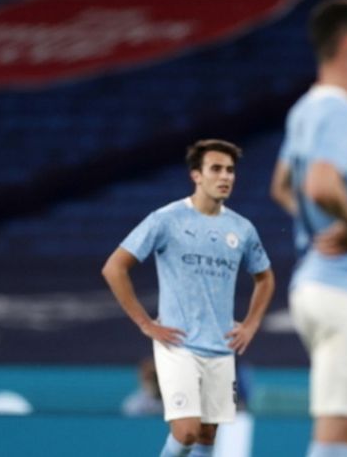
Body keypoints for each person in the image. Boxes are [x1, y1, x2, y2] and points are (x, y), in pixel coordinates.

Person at [269, 0, 347, 457]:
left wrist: (344, 231)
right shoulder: (341, 110)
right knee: (344, 432)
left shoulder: (306, 109)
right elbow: (321, 184)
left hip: (328, 286)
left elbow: (284, 186)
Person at [102, 139, 275, 457]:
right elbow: (114, 268)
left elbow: (265, 278)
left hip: (221, 346)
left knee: (208, 436)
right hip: (177, 343)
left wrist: (250, 325)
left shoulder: (242, 229)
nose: (226, 177)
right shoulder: (166, 220)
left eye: (230, 170)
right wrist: (145, 323)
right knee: (187, 431)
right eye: (216, 169)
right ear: (196, 175)